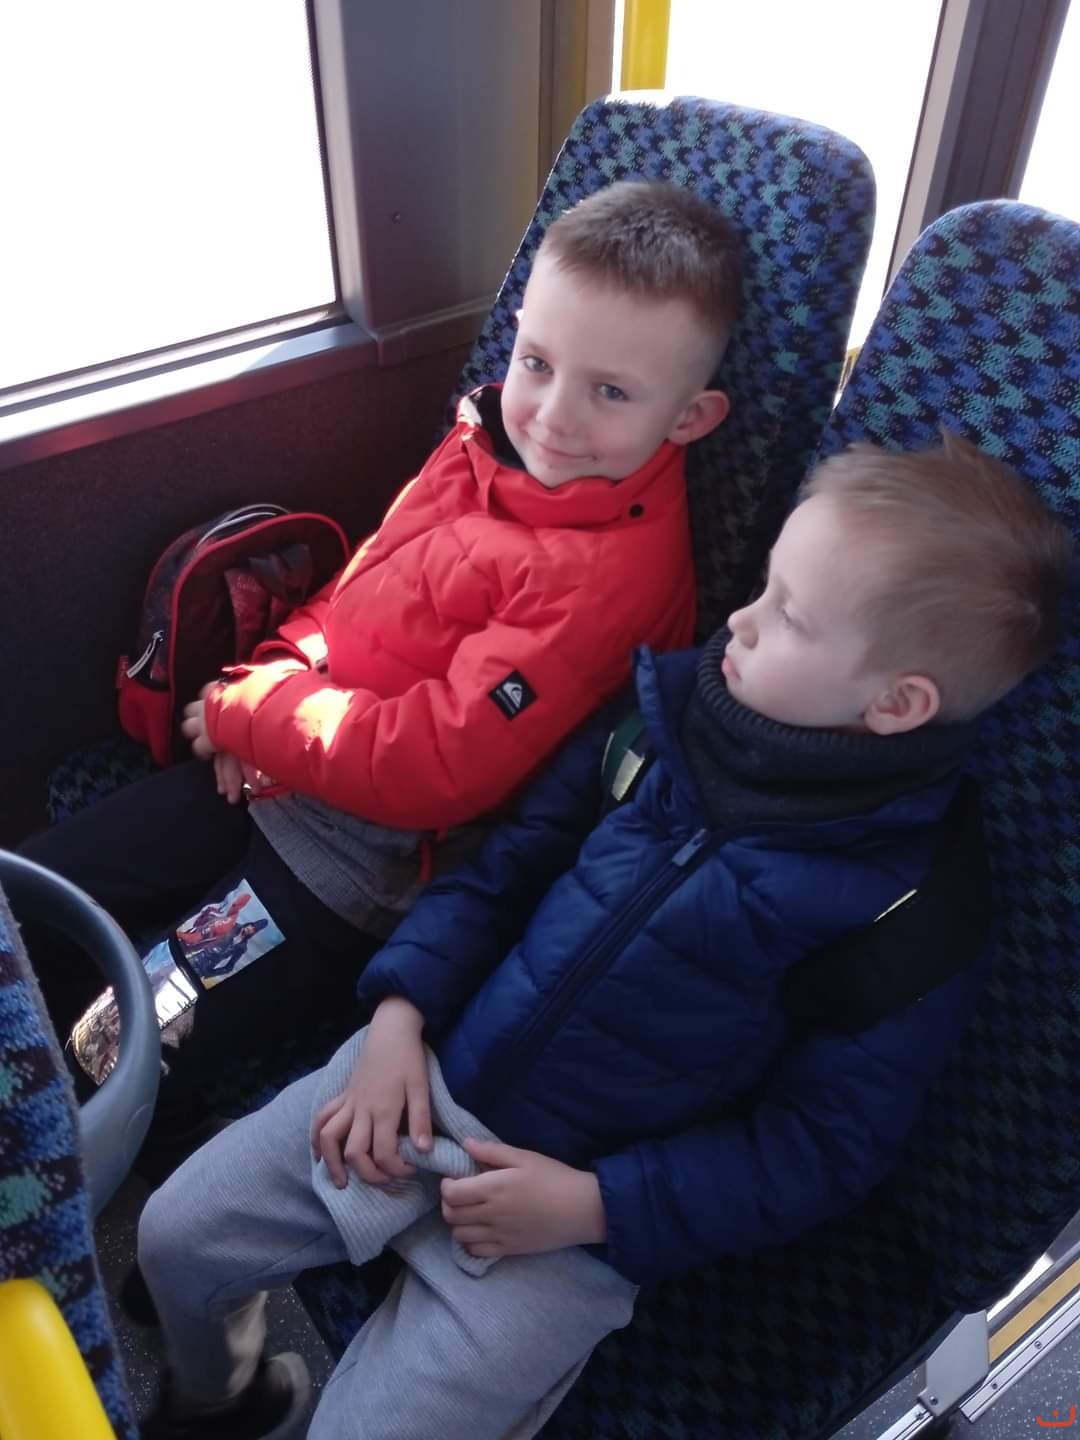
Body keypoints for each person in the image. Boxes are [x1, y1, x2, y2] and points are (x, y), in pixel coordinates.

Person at [137, 431, 1073, 1440]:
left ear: (897, 703)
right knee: (176, 1237)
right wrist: (399, 1018)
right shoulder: (662, 715)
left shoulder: (911, 910)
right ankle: (229, 1397)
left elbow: (822, 1149)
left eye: (786, 614)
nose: (741, 620)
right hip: (427, 1077)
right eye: (764, 584)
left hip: (574, 1222)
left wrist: (598, 1206)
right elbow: (503, 868)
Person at [18, 180, 739, 1170]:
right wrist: (275, 670)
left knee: (112, 1042)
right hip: (273, 765)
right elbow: (361, 592)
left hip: (352, 866)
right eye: (536, 362)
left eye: (610, 392)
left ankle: (126, 1143)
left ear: (691, 417)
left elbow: (435, 765)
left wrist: (252, 714)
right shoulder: (484, 445)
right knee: (33, 894)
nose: (553, 415)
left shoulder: (603, 581)